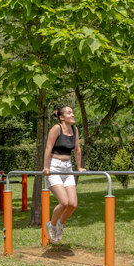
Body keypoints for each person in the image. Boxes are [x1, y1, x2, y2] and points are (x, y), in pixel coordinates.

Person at [42, 104, 84, 244]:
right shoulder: (56, 128)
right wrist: (46, 167)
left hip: (67, 168)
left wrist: (79, 167)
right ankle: (52, 225)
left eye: (72, 112)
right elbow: (48, 147)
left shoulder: (74, 129)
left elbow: (77, 149)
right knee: (64, 202)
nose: (72, 115)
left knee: (72, 204)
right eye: (69, 113)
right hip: (54, 167)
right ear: (61, 117)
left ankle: (60, 224)